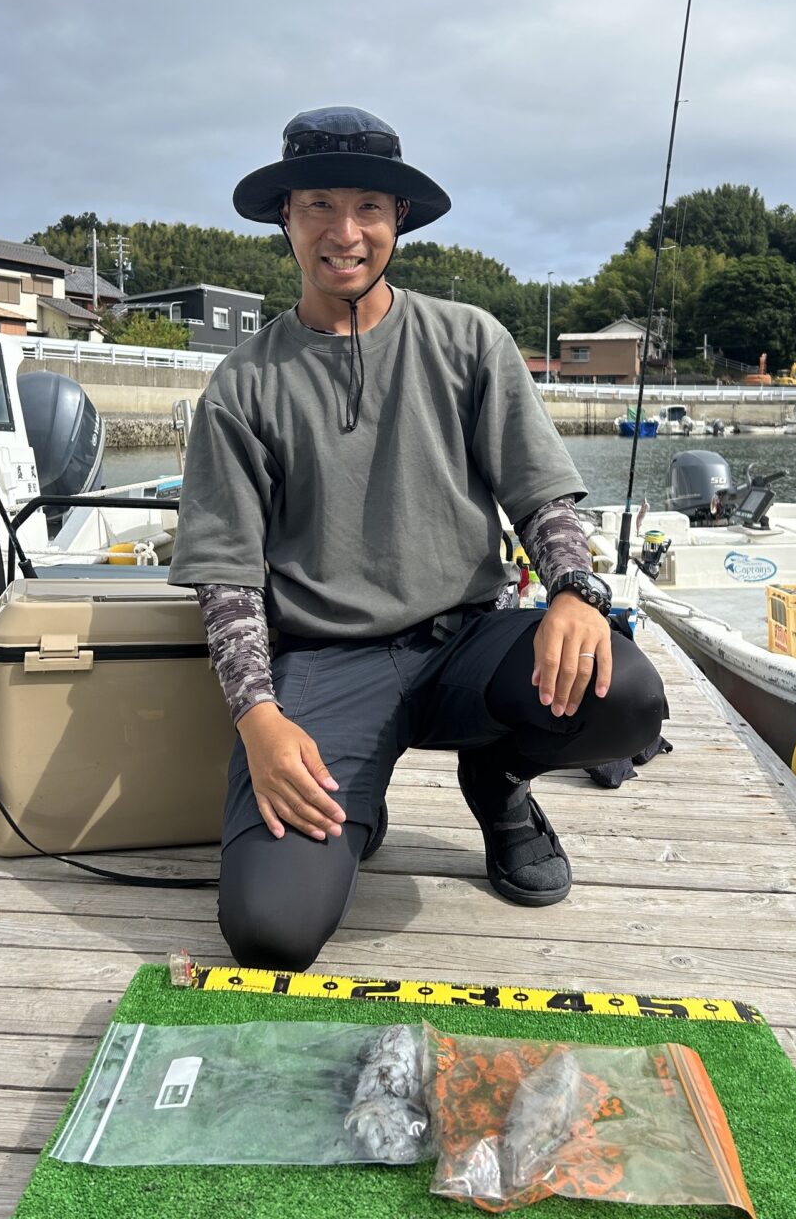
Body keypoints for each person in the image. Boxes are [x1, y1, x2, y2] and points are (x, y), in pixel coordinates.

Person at [169, 106, 666, 971]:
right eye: (319, 205)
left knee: (624, 694)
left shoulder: (470, 340)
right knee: (271, 927)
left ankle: (498, 786)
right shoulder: (243, 385)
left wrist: (575, 593)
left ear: (399, 219)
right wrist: (258, 718)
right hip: (325, 661)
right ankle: (357, 798)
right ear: (285, 217)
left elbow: (542, 496)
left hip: (465, 641)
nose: (345, 232)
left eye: (369, 206)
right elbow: (228, 579)